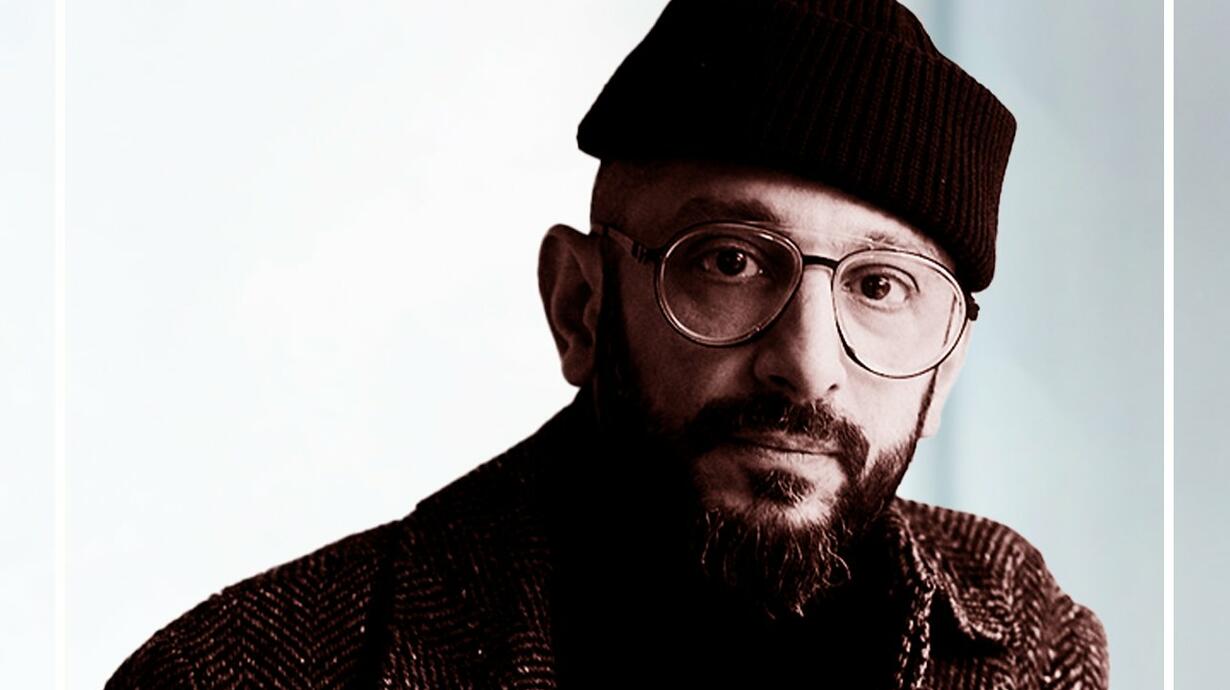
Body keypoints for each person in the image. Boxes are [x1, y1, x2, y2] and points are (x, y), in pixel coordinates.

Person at [106, 0, 1109, 688]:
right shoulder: (244, 675)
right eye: (729, 261)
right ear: (580, 305)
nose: (807, 364)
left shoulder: (1019, 638)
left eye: (880, 285)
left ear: (945, 370)